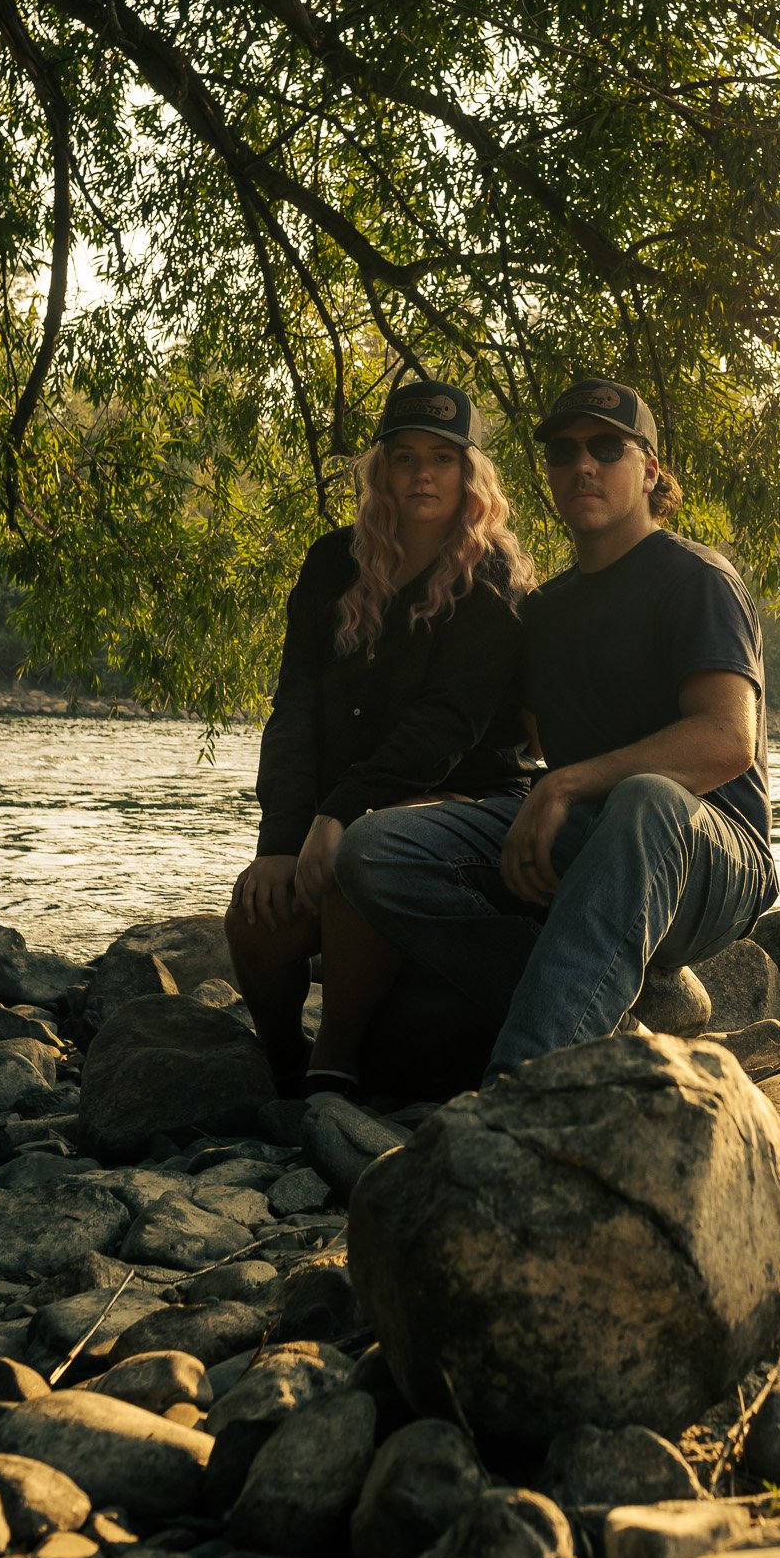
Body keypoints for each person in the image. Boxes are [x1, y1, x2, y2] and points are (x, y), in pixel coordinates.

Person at [333, 373, 778, 1086]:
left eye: (607, 447)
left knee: (647, 799)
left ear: (650, 468)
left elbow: (727, 741)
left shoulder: (696, 580)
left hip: (712, 860)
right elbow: (512, 744)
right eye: (565, 454)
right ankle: (596, 1010)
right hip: (586, 848)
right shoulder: (541, 612)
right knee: (373, 850)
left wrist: (566, 783)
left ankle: (519, 1086)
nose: (584, 466)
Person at [225, 378, 535, 1097]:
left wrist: (341, 812)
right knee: (257, 915)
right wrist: (280, 839)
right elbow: (295, 707)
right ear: (381, 470)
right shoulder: (333, 563)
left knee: (370, 848)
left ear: (471, 474)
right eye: (404, 457)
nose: (423, 474)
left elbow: (446, 727)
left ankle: (334, 1069)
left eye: (443, 458)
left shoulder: (494, 581)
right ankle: (279, 1062)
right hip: (342, 804)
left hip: (459, 804)